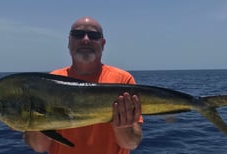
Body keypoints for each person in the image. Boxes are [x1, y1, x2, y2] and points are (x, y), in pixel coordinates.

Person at [24, 16, 143, 154]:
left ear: (102, 43)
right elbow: (39, 146)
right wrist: (34, 120)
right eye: (78, 34)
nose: (85, 39)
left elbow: (131, 143)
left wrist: (123, 125)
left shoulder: (123, 80)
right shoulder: (48, 84)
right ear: (69, 42)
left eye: (93, 35)